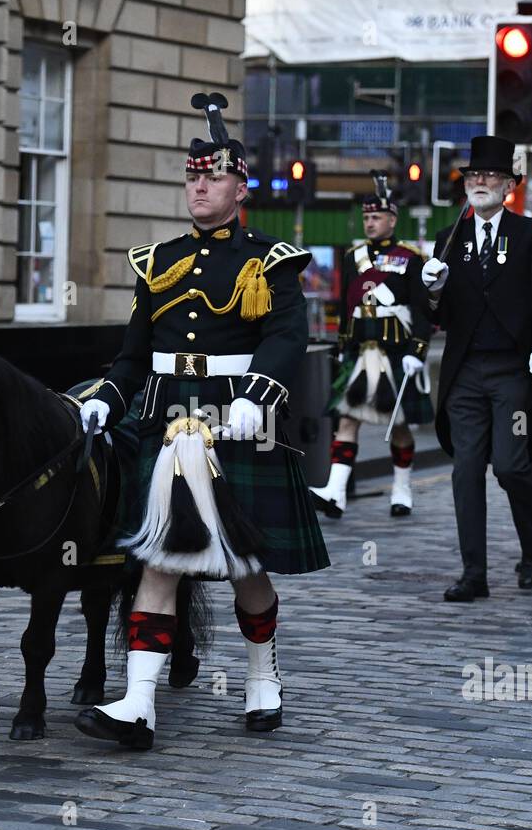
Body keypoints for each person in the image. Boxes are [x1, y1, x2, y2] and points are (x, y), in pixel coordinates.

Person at [74, 93, 329, 749]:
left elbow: (285, 338)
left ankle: (262, 678)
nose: (198, 186)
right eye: (191, 175)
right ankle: (137, 703)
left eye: (211, 176)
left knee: (245, 565)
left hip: (238, 423)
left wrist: (255, 396)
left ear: (239, 187)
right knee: (159, 560)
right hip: (167, 425)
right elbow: (135, 355)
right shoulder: (156, 261)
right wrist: (105, 396)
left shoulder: (271, 259)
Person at [428, 135, 532, 602]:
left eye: (490, 176)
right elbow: (435, 315)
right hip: (464, 373)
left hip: (512, 372)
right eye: (473, 176)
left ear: (508, 186)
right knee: (465, 471)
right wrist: (430, 291)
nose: (480, 182)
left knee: (510, 465)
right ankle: (474, 572)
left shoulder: (530, 234)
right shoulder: (449, 239)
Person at [310, 171, 435, 518]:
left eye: (376, 217)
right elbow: (347, 303)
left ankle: (402, 488)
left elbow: (422, 310)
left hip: (395, 351)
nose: (370, 222)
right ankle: (335, 492)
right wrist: (342, 346)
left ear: (392, 219)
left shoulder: (410, 258)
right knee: (347, 420)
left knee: (399, 425)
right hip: (361, 351)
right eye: (366, 217)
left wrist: (418, 351)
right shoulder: (353, 257)